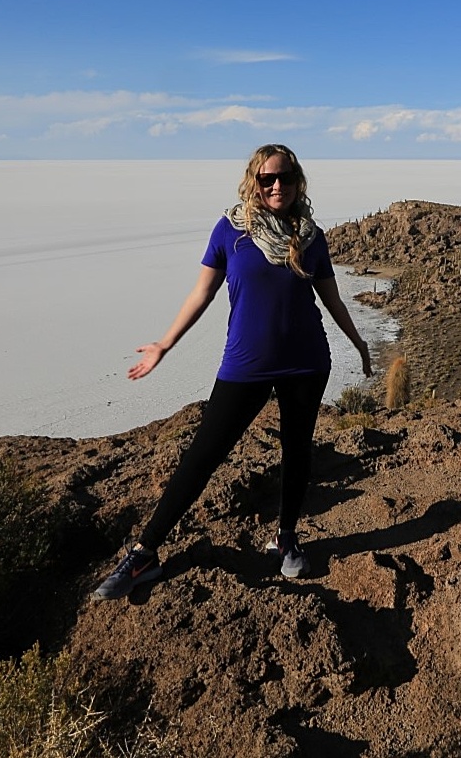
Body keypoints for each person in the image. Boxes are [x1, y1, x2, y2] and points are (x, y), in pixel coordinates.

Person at [93, 144, 373, 601]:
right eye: (267, 179)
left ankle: (286, 537)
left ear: (298, 180)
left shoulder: (310, 237)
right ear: (254, 182)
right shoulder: (231, 230)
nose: (277, 186)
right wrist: (165, 343)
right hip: (246, 364)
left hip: (306, 362)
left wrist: (358, 343)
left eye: (285, 177)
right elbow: (201, 293)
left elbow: (331, 299)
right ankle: (145, 553)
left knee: (297, 451)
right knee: (202, 456)